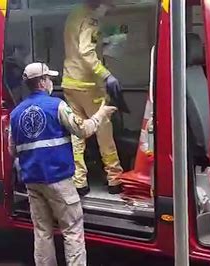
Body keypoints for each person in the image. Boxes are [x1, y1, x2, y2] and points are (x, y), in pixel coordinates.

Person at [8, 62, 117, 266]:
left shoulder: (15, 114)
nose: (51, 82)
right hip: (59, 181)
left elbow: (12, 151)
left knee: (42, 233)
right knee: (72, 230)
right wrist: (101, 113)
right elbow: (82, 130)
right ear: (41, 82)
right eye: (49, 78)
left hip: (33, 182)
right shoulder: (57, 106)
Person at [62, 0, 126, 196]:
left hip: (70, 82)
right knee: (104, 131)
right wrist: (106, 74)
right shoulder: (90, 19)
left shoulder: (74, 14)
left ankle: (79, 182)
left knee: (77, 134)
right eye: (107, 6)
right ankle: (114, 179)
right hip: (89, 86)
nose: (107, 11)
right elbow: (86, 51)